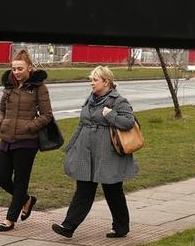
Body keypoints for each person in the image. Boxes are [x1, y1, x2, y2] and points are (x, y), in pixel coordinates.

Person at [52, 66, 138, 239]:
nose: (91, 83)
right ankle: (68, 226)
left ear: (106, 81)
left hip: (108, 155)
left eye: (95, 80)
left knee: (113, 191)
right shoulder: (90, 99)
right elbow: (82, 123)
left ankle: (121, 227)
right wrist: (72, 145)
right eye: (91, 79)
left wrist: (111, 116)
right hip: (87, 154)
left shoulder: (118, 101)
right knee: (83, 189)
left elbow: (129, 122)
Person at [0, 48, 53, 232]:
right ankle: (27, 200)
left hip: (27, 142)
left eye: (20, 68)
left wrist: (29, 127)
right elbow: (1, 109)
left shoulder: (39, 87)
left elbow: (47, 115)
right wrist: (0, 122)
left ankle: (10, 219)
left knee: (21, 181)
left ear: (29, 68)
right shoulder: (9, 87)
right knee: (2, 178)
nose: (16, 72)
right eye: (14, 69)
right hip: (7, 138)